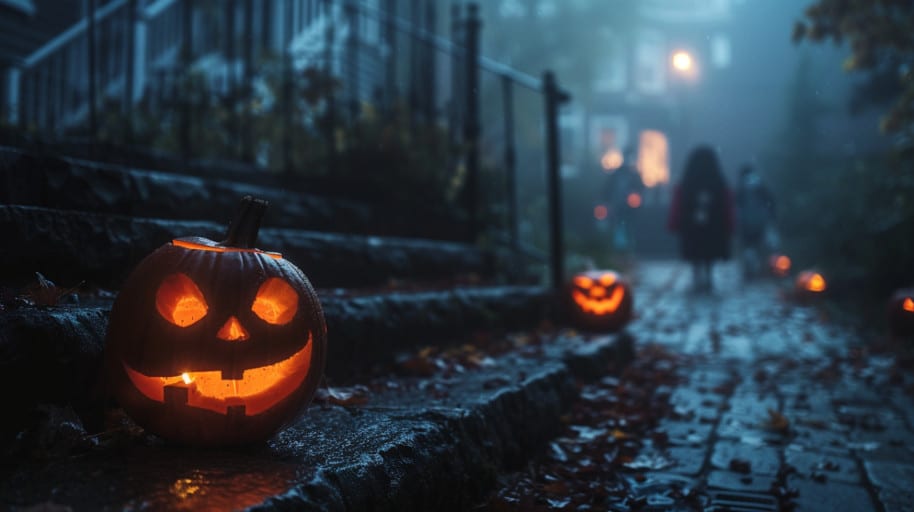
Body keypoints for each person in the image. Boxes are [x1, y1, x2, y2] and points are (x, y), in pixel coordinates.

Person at [667, 145, 735, 292]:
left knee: (695, 251)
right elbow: (727, 206)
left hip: (692, 225)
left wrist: (676, 221)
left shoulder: (687, 182)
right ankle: (708, 277)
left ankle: (697, 276)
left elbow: (677, 204)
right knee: (709, 250)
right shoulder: (718, 182)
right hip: (714, 226)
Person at [734, 163, 776, 279]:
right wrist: (771, 218)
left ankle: (750, 271)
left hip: (746, 223)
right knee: (760, 247)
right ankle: (762, 270)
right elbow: (771, 202)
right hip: (761, 222)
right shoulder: (760, 186)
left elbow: (736, 205)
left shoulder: (741, 187)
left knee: (748, 247)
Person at [604, 146, 645, 252]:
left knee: (630, 230)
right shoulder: (617, 174)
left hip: (630, 209)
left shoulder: (635, 175)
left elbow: (641, 190)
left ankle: (629, 252)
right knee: (618, 230)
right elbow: (607, 190)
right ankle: (619, 252)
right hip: (617, 208)